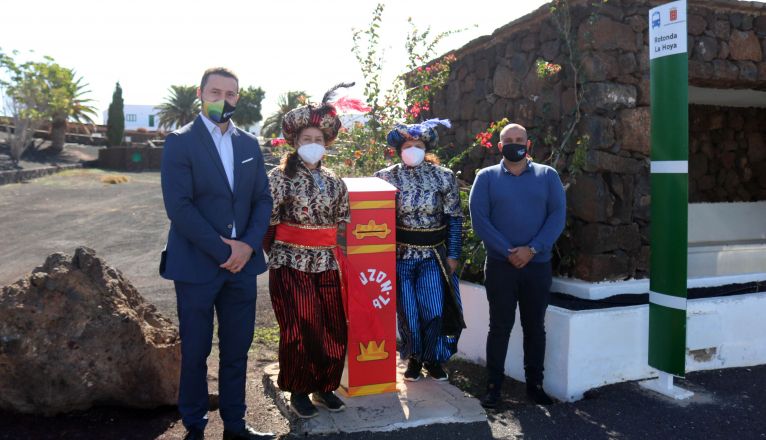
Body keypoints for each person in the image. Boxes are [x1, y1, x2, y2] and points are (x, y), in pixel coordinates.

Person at [160, 67, 274, 440]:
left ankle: (236, 426)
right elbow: (179, 206)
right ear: (200, 93)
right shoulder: (180, 142)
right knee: (195, 351)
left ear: (237, 98)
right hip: (196, 265)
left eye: (229, 93)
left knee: (237, 351)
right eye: (215, 91)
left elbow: (262, 199)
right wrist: (222, 249)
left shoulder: (248, 144)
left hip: (242, 267)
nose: (221, 99)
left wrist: (248, 246)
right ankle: (194, 426)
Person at [263, 83, 352, 419]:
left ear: (325, 143)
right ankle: (299, 389)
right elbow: (268, 225)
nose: (312, 145)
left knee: (332, 324)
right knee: (301, 324)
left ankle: (325, 386)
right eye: (306, 140)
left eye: (318, 140)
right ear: (295, 143)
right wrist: (279, 254)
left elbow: (341, 224)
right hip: (290, 261)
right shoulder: (279, 177)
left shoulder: (334, 181)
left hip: (326, 262)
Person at [468, 122, 566, 407]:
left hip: (537, 266)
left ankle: (535, 386)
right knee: (499, 327)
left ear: (528, 144)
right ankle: (493, 388)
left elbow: (557, 216)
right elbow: (480, 220)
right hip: (501, 266)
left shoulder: (548, 176)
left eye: (519, 139)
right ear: (500, 146)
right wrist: (508, 251)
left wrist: (532, 249)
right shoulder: (486, 178)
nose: (514, 143)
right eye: (508, 140)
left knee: (535, 327)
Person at [374, 119, 465, 382]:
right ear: (399, 149)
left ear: (426, 147)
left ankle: (434, 359)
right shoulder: (385, 177)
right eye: (407, 145)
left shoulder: (443, 176)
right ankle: (414, 358)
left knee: (433, 309)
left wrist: (453, 255)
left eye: (418, 144)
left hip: (433, 256)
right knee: (409, 313)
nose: (413, 148)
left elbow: (455, 219)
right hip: (400, 256)